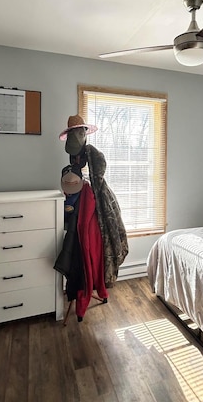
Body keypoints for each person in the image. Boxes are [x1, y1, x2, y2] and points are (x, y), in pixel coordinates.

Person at [59, 115, 128, 286]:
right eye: (75, 133)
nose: (78, 136)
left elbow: (97, 179)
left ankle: (95, 280)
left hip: (95, 200)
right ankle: (83, 278)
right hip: (78, 199)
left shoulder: (94, 154)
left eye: (80, 133)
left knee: (98, 242)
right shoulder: (74, 155)